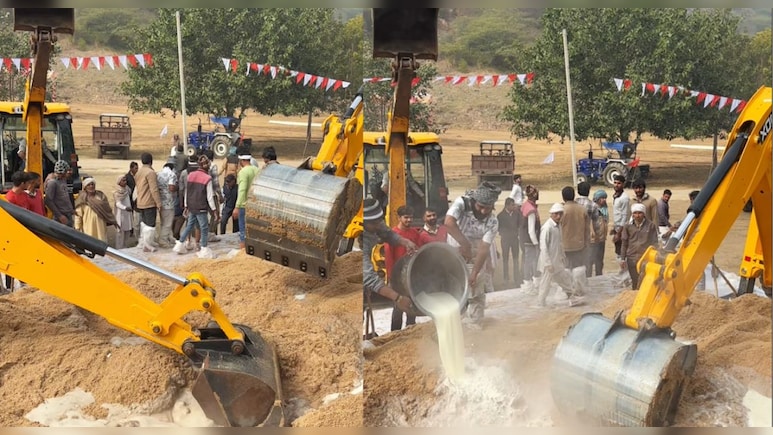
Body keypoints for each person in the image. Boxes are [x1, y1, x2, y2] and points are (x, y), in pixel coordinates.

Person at [445, 181, 501, 329]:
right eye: (480, 207)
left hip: (475, 254)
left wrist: (475, 272)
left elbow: (484, 248)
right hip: (455, 249)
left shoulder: (493, 222)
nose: (483, 211)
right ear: (474, 201)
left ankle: (474, 324)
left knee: (476, 288)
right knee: (454, 287)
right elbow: (449, 223)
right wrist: (464, 244)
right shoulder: (462, 203)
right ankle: (452, 323)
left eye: (487, 208)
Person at [362, 198, 417, 319]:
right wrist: (398, 297)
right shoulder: (360, 240)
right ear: (363, 223)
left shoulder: (375, 223)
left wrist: (405, 242)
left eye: (379, 221)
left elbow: (388, 234)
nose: (378, 225)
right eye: (374, 223)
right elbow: (369, 278)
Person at [536, 203, 584, 307]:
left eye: (560, 214)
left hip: (557, 260)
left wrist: (562, 257)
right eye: (556, 214)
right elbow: (543, 247)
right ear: (551, 214)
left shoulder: (559, 226)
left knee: (564, 279)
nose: (558, 216)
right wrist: (548, 263)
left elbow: (560, 243)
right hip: (548, 262)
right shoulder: (547, 228)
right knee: (545, 283)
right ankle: (541, 302)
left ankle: (572, 297)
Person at [173, 154, 220, 259]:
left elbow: (186, 191)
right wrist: (214, 210)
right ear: (206, 166)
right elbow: (209, 197)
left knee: (189, 225)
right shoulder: (207, 178)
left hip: (191, 205)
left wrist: (186, 205)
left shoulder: (191, 175)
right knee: (204, 227)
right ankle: (204, 248)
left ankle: (180, 245)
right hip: (201, 206)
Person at [384, 205, 421, 332]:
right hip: (397, 277)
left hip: (412, 276)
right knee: (398, 307)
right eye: (406, 218)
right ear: (399, 218)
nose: (409, 220)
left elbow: (419, 253)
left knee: (412, 307)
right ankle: (394, 334)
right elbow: (389, 258)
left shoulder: (415, 233)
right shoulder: (392, 235)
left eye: (411, 218)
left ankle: (410, 333)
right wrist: (390, 279)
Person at [620, 203, 659, 290]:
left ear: (644, 214)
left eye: (639, 213)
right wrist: (622, 259)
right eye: (635, 213)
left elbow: (654, 243)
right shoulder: (627, 226)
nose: (637, 216)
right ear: (632, 214)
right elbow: (624, 243)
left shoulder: (650, 225)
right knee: (635, 280)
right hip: (632, 258)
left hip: (645, 258)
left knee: (644, 281)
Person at [134, 153, 163, 252]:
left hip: (140, 201)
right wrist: (158, 203)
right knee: (150, 225)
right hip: (149, 202)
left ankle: (144, 242)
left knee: (144, 224)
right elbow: (154, 189)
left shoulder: (138, 172)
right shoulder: (150, 173)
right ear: (151, 161)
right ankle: (147, 244)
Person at [73, 178, 117, 243]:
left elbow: (107, 210)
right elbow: (78, 215)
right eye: (88, 185)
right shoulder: (82, 199)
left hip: (101, 226)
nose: (91, 186)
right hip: (88, 228)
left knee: (101, 243)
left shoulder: (101, 196)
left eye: (92, 184)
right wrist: (77, 227)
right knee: (90, 244)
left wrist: (110, 218)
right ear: (85, 187)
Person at [559, 185, 591, 271]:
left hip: (565, 246)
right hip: (579, 245)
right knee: (578, 270)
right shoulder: (582, 209)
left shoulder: (561, 210)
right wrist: (587, 243)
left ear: (563, 197)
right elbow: (587, 230)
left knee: (567, 270)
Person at [233, 152, 259, 249]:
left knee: (243, 229)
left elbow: (242, 190)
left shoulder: (243, 172)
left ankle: (243, 249)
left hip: (244, 205)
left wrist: (237, 206)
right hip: (255, 203)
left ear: (242, 161)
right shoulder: (257, 170)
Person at [520, 185, 541, 294]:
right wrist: (536, 244)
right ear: (534, 195)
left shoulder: (525, 205)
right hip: (530, 240)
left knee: (528, 261)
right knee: (532, 261)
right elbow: (531, 230)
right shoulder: (531, 210)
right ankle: (529, 283)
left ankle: (529, 282)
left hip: (525, 239)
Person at [497, 197, 521, 287]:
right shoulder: (500, 216)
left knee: (516, 259)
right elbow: (499, 228)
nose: (514, 206)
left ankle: (516, 278)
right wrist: (504, 233)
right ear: (507, 205)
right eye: (512, 205)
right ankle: (506, 278)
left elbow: (519, 224)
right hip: (505, 240)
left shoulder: (517, 214)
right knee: (505, 259)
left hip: (514, 239)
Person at [44, 160, 75, 227]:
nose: (68, 173)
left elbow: (65, 196)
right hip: (60, 217)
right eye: (67, 171)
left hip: (68, 214)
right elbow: (48, 200)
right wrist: (60, 216)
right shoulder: (52, 183)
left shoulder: (63, 180)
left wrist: (71, 210)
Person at [156, 157, 179, 248]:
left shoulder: (158, 174)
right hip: (169, 202)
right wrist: (178, 187)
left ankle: (169, 237)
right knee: (168, 223)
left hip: (160, 202)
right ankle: (163, 240)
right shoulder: (172, 174)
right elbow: (171, 188)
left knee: (163, 221)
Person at [589, 190, 609, 276]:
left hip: (602, 238)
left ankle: (599, 276)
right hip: (594, 239)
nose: (604, 200)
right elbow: (590, 222)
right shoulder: (594, 208)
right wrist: (593, 233)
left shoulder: (605, 209)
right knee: (591, 260)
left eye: (605, 198)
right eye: (602, 198)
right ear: (597, 199)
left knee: (600, 261)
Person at [113, 175, 133, 249]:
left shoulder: (127, 189)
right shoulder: (117, 191)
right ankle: (119, 248)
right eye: (123, 180)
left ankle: (125, 247)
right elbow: (117, 203)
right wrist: (125, 208)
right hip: (120, 214)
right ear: (119, 182)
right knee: (120, 233)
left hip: (128, 214)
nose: (125, 182)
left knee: (127, 231)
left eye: (125, 180)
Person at [125, 161, 140, 237]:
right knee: (130, 215)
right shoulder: (127, 177)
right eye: (135, 168)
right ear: (131, 168)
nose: (137, 170)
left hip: (137, 198)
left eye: (137, 168)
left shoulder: (138, 176)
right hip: (130, 198)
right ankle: (131, 230)